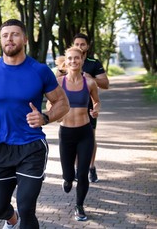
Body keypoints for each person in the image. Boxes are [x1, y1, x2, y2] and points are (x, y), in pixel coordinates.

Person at [0, 19, 70, 229]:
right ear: (0, 40)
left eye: (15, 34)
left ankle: (23, 218)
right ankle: (11, 219)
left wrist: (45, 117)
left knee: (27, 207)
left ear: (25, 39)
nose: (9, 38)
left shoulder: (39, 70)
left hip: (31, 146)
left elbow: (63, 103)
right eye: (5, 35)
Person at [52, 46, 101, 221]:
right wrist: (53, 114)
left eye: (77, 58)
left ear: (82, 60)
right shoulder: (58, 82)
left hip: (85, 132)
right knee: (69, 175)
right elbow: (51, 105)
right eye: (70, 58)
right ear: (66, 61)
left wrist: (95, 110)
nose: (74, 61)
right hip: (66, 133)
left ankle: (79, 206)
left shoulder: (89, 82)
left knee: (82, 173)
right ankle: (67, 179)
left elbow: (96, 102)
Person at [73, 33, 109, 183]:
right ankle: (76, 169)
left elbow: (105, 84)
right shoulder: (69, 61)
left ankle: (91, 168)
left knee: (90, 138)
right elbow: (57, 80)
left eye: (82, 44)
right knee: (73, 139)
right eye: (77, 44)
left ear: (87, 46)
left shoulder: (93, 63)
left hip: (89, 107)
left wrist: (91, 78)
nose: (79, 47)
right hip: (71, 107)